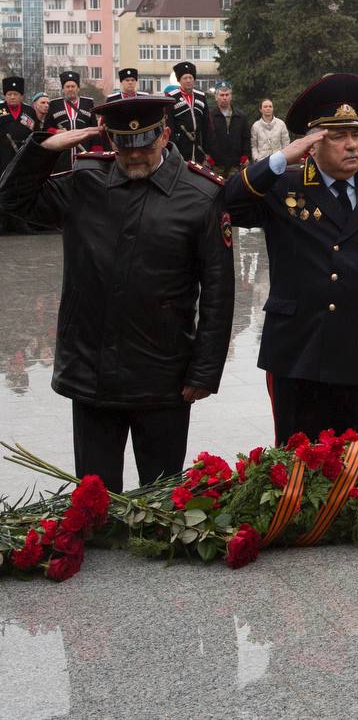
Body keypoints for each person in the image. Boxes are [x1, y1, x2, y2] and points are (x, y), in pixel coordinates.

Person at [0, 95, 234, 491]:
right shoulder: (85, 182)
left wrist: (205, 371)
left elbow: (218, 291)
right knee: (94, 503)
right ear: (110, 141)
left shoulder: (202, 195)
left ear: (165, 135)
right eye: (124, 145)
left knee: (161, 504)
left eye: (144, 143)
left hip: (164, 376)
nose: (134, 155)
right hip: (92, 371)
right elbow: (10, 202)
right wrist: (41, 148)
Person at [223, 73, 358, 444]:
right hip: (300, 353)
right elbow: (228, 203)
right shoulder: (284, 186)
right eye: (337, 137)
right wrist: (281, 158)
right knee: (299, 468)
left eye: (355, 135)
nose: (351, 146)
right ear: (312, 145)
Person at [1, 76, 37, 234]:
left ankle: (21, 222)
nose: (12, 97)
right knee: (3, 190)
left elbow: (35, 134)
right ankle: (2, 223)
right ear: (4, 95)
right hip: (2, 157)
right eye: (9, 94)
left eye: (15, 94)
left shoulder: (29, 111)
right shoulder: (0, 110)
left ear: (21, 95)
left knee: (21, 190)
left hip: (23, 157)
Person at [45, 70, 99, 170]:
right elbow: (46, 129)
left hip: (85, 155)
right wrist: (57, 131)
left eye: (73, 86)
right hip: (61, 158)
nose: (70, 89)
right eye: (67, 87)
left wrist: (96, 153)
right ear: (63, 89)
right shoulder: (54, 105)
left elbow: (95, 130)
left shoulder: (88, 103)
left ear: (78, 88)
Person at [205, 83, 252, 179]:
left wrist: (246, 156)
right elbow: (206, 137)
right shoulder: (209, 116)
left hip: (236, 164)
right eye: (222, 95)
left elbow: (246, 138)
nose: (224, 97)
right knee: (216, 191)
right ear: (216, 97)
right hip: (216, 164)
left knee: (234, 191)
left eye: (227, 95)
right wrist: (207, 155)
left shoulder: (241, 116)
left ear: (231, 96)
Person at [167, 61, 207, 163]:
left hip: (198, 145)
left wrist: (209, 151)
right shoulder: (171, 97)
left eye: (191, 78)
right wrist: (173, 149)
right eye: (185, 78)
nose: (188, 81)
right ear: (179, 80)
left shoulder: (201, 96)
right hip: (180, 145)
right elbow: (169, 125)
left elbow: (207, 125)